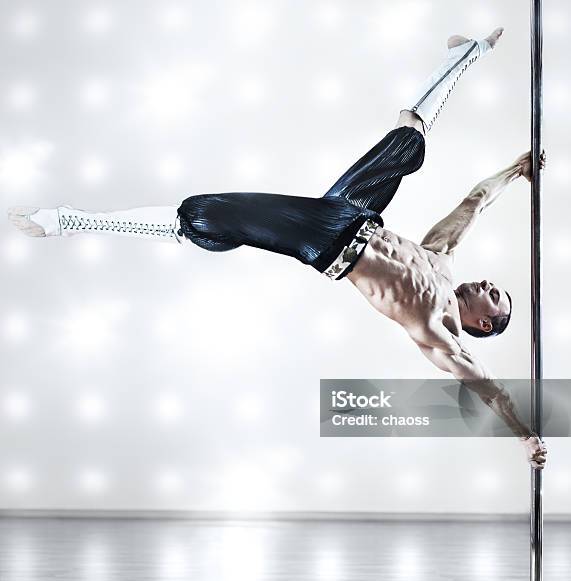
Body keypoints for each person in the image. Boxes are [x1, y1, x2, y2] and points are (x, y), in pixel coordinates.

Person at [8, 28, 547, 469]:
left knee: (201, 214)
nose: (486, 284)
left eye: (493, 297)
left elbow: (491, 390)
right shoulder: (441, 259)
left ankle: (67, 221)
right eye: (494, 285)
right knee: (409, 142)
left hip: (327, 244)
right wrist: (518, 170)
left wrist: (525, 436)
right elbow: (475, 200)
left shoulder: (439, 334)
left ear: (480, 324)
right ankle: (465, 54)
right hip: (353, 213)